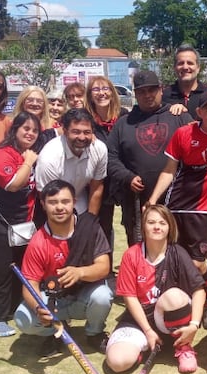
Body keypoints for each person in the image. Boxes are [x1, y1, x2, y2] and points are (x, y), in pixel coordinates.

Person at [147, 88, 207, 330]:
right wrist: (154, 199)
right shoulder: (183, 133)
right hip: (175, 206)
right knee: (170, 258)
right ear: (198, 112)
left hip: (204, 211)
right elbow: (169, 170)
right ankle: (172, 302)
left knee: (199, 263)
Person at [14, 180, 113, 357]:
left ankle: (94, 333)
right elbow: (30, 284)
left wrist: (80, 272)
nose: (60, 207)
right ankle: (55, 332)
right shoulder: (38, 241)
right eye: (53, 202)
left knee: (103, 295)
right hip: (55, 300)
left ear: (74, 202)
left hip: (84, 295)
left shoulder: (89, 229)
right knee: (23, 318)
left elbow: (104, 267)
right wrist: (39, 309)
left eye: (65, 201)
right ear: (43, 204)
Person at [104, 204, 206, 374]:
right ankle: (143, 349)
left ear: (169, 227)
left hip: (169, 317)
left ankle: (183, 346)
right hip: (140, 320)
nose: (157, 226)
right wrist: (148, 331)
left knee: (174, 296)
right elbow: (129, 297)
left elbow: (199, 290)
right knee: (117, 363)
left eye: (162, 223)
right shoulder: (131, 255)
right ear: (143, 226)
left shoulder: (178, 253)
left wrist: (194, 325)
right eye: (151, 222)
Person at [106, 70, 193, 246]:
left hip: (176, 199)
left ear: (161, 90)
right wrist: (127, 177)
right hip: (136, 201)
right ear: (135, 94)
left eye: (152, 90)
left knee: (177, 249)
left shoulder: (179, 116)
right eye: (141, 91)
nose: (147, 95)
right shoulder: (124, 123)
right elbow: (110, 157)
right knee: (140, 249)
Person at [0, 112, 41, 338]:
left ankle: (16, 307)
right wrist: (27, 162)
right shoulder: (3, 153)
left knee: (22, 269)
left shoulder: (32, 154)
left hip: (23, 224)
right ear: (14, 129)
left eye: (34, 130)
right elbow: (13, 184)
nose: (30, 133)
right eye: (25, 128)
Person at [85, 75, 129, 272]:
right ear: (90, 95)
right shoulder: (85, 120)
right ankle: (103, 269)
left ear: (112, 92)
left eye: (105, 88)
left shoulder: (125, 116)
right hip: (97, 183)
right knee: (101, 227)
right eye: (96, 89)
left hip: (123, 179)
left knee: (132, 225)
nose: (101, 92)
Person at [34, 108, 107, 217]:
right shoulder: (49, 157)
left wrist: (90, 222)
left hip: (81, 205)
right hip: (53, 209)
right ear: (65, 131)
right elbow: (48, 199)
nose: (82, 137)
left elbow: (96, 187)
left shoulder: (99, 149)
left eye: (87, 132)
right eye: (76, 132)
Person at [162, 44, 207, 119]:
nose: (185, 67)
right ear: (174, 68)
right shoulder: (164, 96)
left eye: (190, 63)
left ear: (198, 68)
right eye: (181, 63)